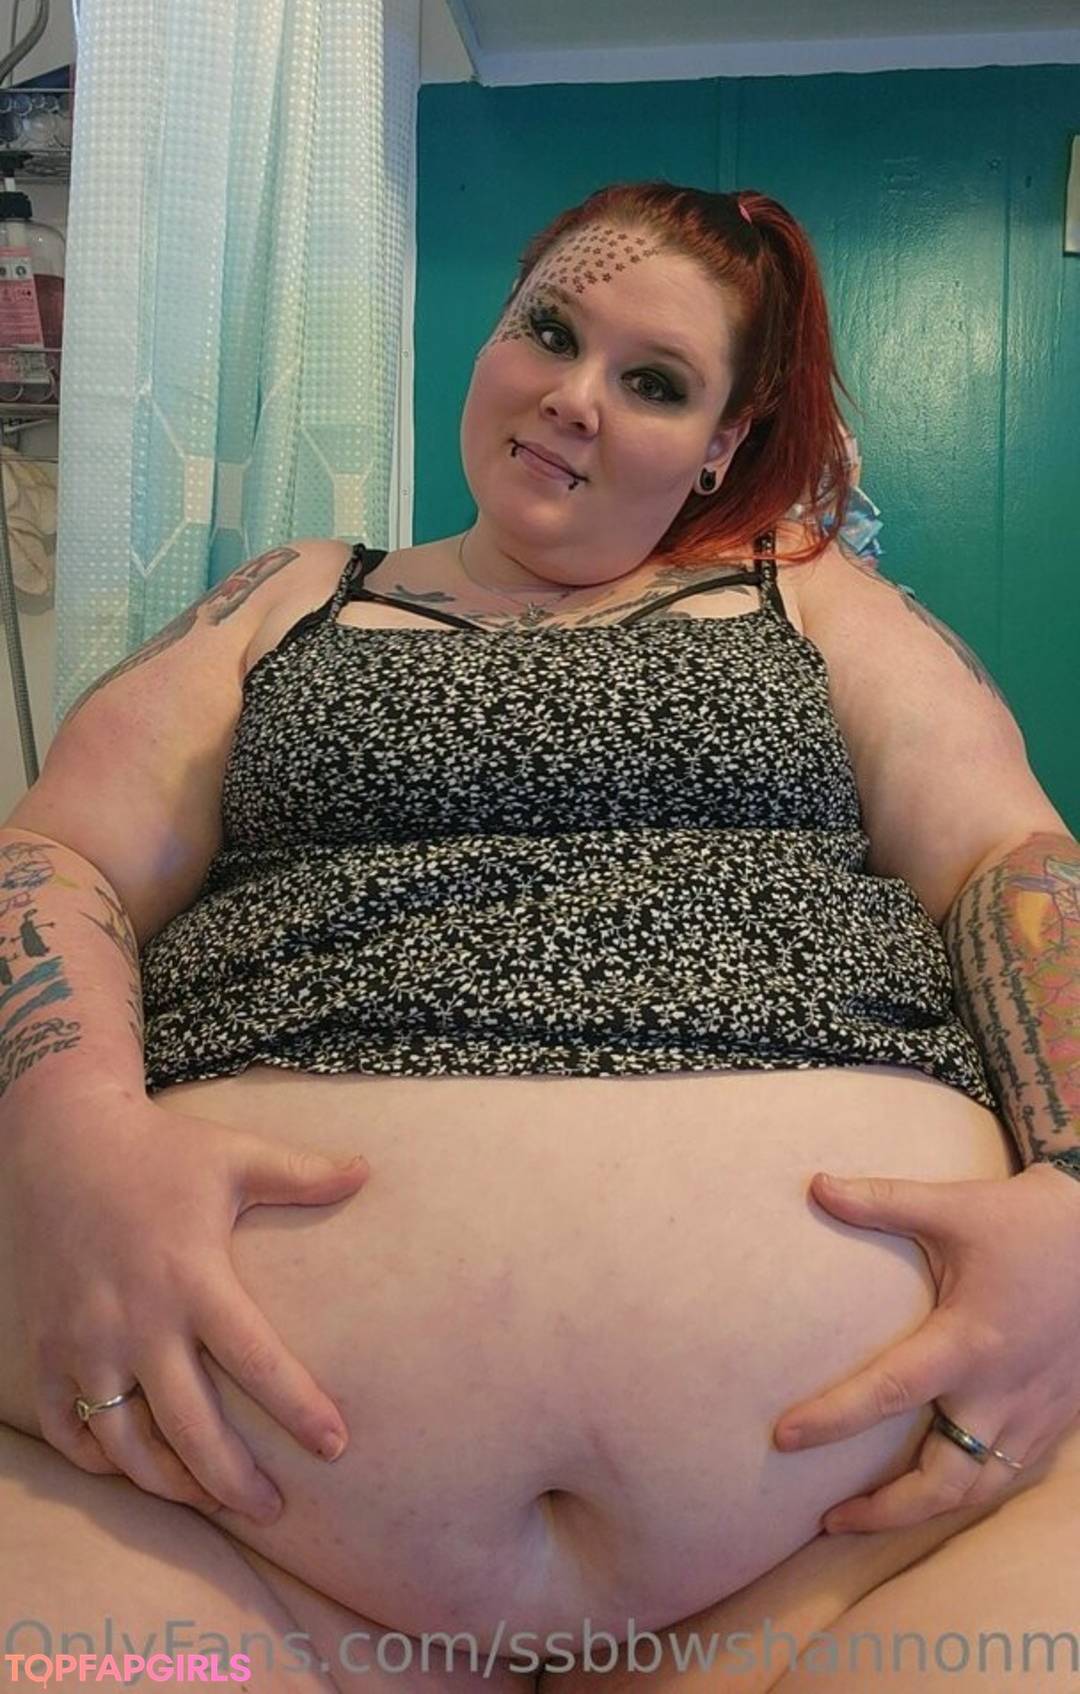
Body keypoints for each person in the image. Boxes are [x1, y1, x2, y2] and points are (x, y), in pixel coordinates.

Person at [1, 180, 1079, 1694]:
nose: (576, 398)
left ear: (720, 442)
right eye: (551, 333)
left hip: (859, 1556)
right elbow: (53, 856)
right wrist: (71, 1131)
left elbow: (1015, 865)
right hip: (225, 1538)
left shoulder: (805, 598)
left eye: (655, 382)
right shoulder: (293, 597)